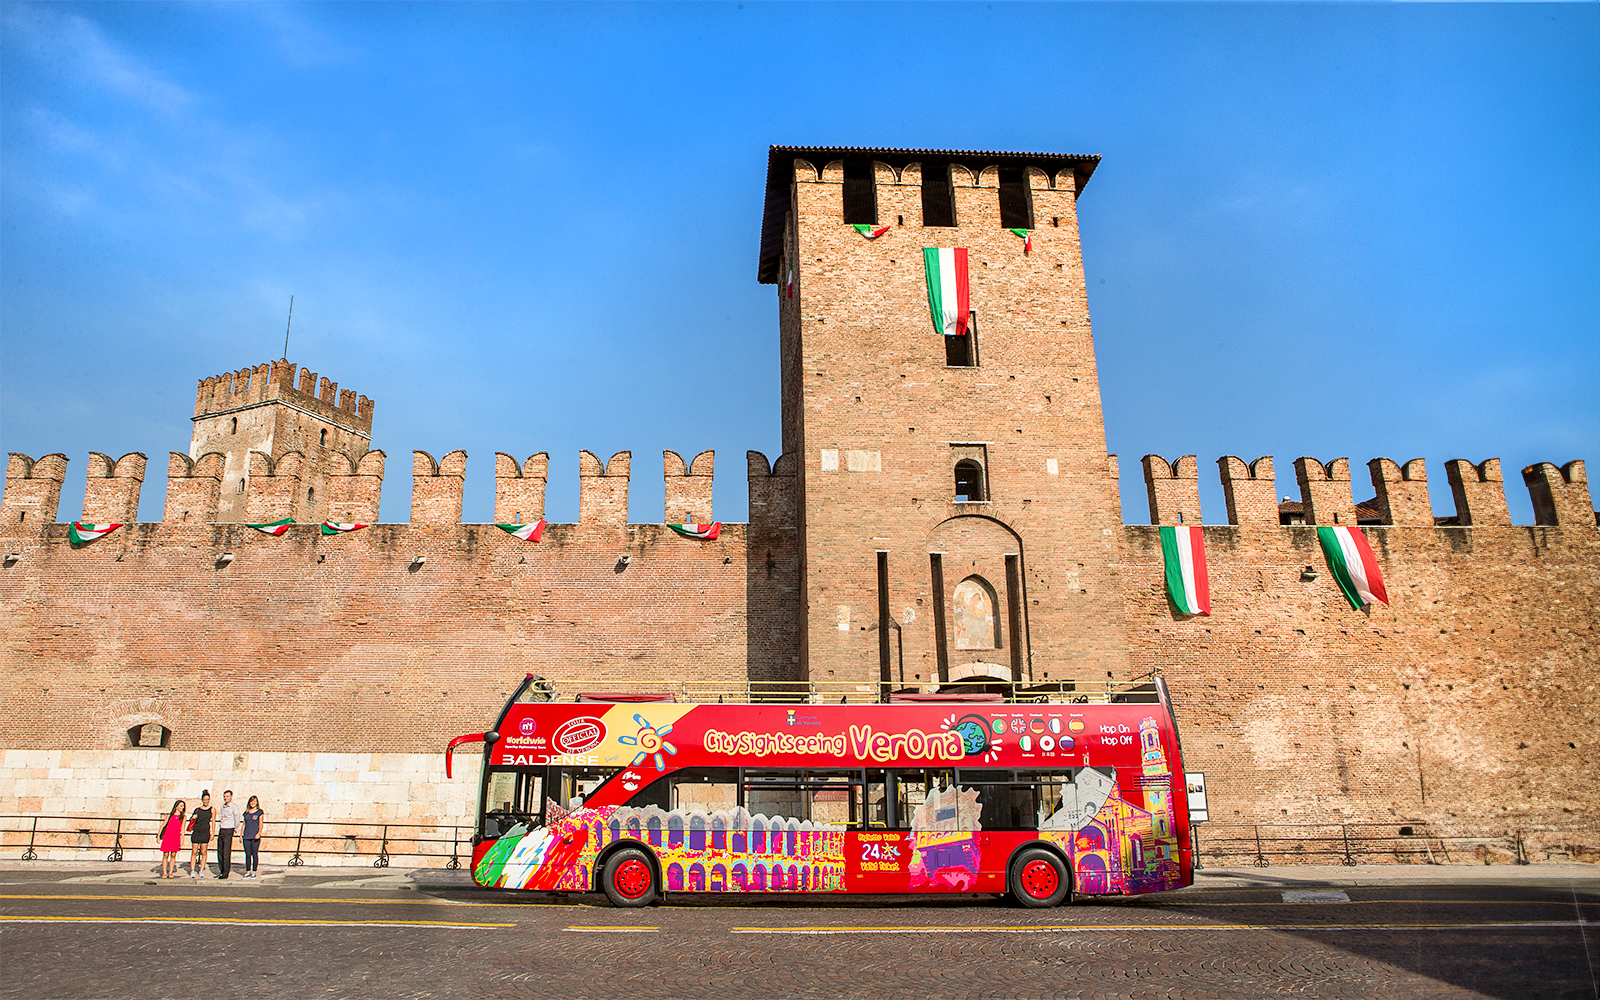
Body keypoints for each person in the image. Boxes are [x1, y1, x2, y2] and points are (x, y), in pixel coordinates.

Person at [215, 790, 240, 880]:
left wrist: (235, 828)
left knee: (226, 852)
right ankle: (221, 870)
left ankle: (226, 872)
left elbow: (237, 818)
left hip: (229, 829)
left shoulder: (234, 807)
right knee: (220, 851)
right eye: (224, 796)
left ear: (231, 797)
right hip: (222, 828)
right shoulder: (223, 807)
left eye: (227, 796)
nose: (226, 798)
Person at [188, 790, 214, 878]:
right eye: (204, 799)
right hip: (197, 831)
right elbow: (192, 820)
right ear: (202, 800)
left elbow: (213, 821)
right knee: (194, 851)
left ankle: (201, 869)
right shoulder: (197, 809)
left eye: (207, 799)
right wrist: (193, 817)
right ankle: (192, 870)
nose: (206, 801)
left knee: (203, 851)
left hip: (205, 832)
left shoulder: (212, 809)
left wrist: (213, 833)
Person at [159, 800, 186, 879]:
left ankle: (170, 872)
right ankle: (164, 872)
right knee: (166, 854)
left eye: (183, 806)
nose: (182, 807)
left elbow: (182, 829)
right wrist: (158, 836)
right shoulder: (170, 816)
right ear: (176, 806)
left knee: (173, 854)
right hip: (168, 836)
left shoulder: (183, 817)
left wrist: (182, 840)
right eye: (181, 806)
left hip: (176, 836)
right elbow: (163, 826)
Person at [240, 796, 264, 879]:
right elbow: (244, 824)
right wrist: (241, 835)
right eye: (252, 801)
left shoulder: (259, 812)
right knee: (247, 854)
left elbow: (261, 824)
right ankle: (247, 871)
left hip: (255, 836)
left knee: (254, 853)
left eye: (254, 801)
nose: (253, 803)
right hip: (247, 835)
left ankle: (254, 871)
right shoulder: (246, 812)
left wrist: (259, 833)